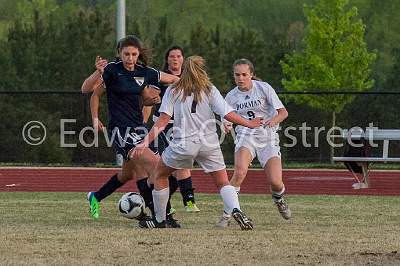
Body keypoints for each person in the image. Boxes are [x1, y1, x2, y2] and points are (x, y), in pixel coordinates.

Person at [130, 56, 263, 229]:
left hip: (183, 144)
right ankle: (236, 208)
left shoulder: (174, 89)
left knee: (159, 175)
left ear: (184, 70)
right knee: (223, 182)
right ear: (202, 70)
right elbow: (228, 114)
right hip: (209, 144)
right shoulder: (209, 89)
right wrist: (250, 123)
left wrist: (143, 143)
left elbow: (162, 121)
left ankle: (160, 220)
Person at [85, 35, 180, 228]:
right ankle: (163, 215)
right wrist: (95, 118)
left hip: (139, 128)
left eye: (134, 54)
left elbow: (172, 79)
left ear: (138, 54)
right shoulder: (112, 70)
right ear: (119, 54)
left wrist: (193, 84)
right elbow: (89, 91)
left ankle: (95, 197)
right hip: (121, 130)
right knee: (156, 166)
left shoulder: (145, 72)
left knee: (129, 173)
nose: (130, 58)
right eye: (126, 54)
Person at [218, 58, 291, 228]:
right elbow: (227, 118)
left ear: (251, 74)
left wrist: (274, 120)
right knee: (240, 173)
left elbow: (283, 112)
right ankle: (227, 214)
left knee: (276, 182)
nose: (241, 78)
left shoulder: (264, 88)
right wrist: (226, 125)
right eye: (237, 75)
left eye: (244, 74)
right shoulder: (231, 96)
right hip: (246, 136)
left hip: (268, 137)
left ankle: (278, 199)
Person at [152, 46, 200, 212]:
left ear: (183, 59)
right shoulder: (161, 79)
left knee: (181, 162)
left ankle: (182, 202)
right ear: (167, 59)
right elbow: (149, 100)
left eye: (178, 56)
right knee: (172, 165)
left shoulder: (190, 79)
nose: (175, 59)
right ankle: (186, 201)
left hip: (184, 126)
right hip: (165, 125)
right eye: (171, 56)